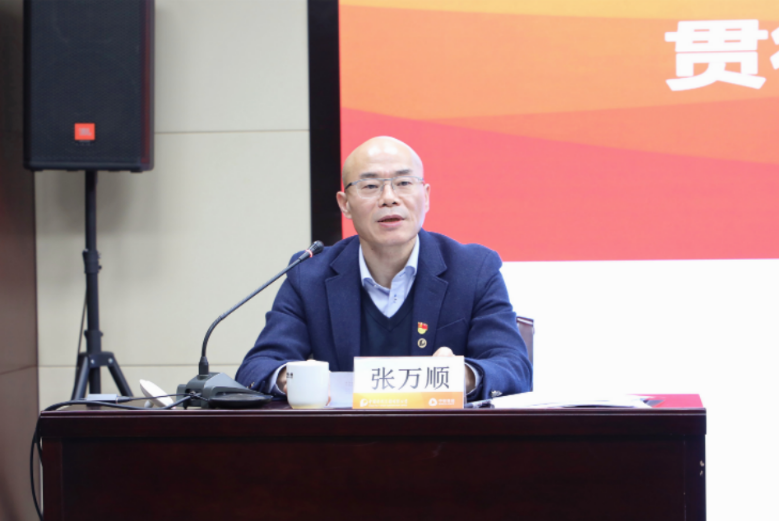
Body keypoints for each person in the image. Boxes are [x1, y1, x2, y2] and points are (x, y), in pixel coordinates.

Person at [236, 136, 532, 400]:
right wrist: (292, 377)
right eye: (370, 186)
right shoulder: (309, 276)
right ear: (345, 204)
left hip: (442, 439)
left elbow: (514, 367)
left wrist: (462, 376)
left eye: (404, 183)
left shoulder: (473, 269)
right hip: (343, 439)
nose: (389, 198)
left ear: (426, 196)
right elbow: (257, 367)